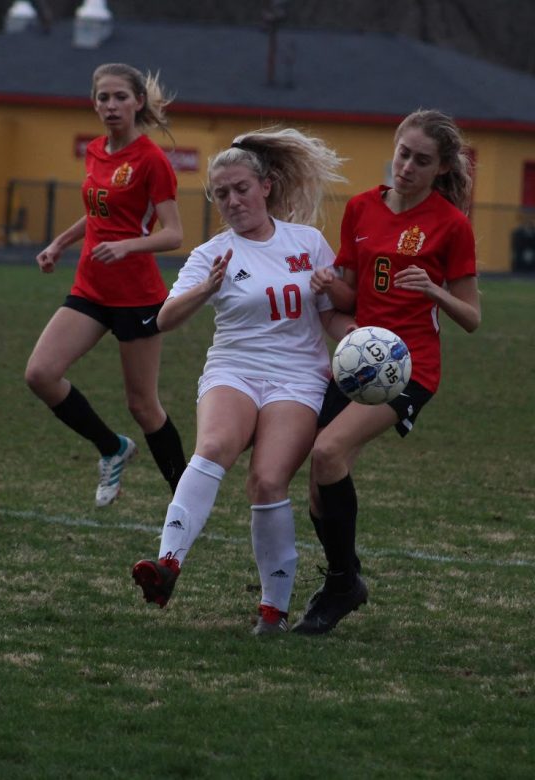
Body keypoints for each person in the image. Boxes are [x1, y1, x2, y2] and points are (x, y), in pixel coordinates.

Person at [130, 127, 353, 635]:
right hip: (234, 368)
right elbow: (165, 318)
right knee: (212, 448)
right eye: (221, 194)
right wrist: (205, 289)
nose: (232, 201)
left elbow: (334, 311)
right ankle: (167, 565)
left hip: (298, 377)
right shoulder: (212, 255)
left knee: (268, 480)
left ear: (267, 186)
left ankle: (272, 612)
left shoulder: (308, 242)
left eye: (240, 189)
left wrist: (348, 316)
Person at [295, 108, 481, 635]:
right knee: (318, 480)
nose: (407, 167)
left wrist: (435, 290)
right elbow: (353, 292)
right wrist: (330, 284)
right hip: (359, 356)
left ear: (442, 168)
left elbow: (471, 317)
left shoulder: (451, 225)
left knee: (328, 452)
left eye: (422, 161)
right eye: (403, 153)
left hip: (409, 366)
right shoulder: (360, 208)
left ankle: (340, 584)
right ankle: (344, 580)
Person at [25, 63, 187, 507]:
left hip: (136, 296)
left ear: (138, 102)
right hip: (91, 288)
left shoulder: (152, 160)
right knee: (40, 374)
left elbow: (174, 234)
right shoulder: (96, 150)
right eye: (103, 98)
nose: (111, 106)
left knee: (143, 406)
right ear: (93, 102)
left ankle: (188, 499)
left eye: (120, 97)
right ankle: (112, 448)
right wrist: (60, 242)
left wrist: (128, 247)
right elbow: (99, 212)